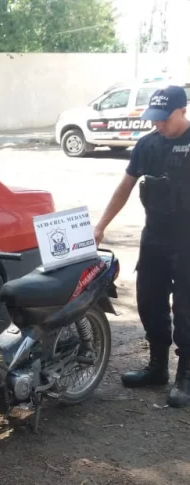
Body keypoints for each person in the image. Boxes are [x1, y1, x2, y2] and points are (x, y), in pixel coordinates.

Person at [94, 84, 190, 408]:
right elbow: (125, 186)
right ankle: (158, 368)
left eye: (165, 118)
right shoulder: (147, 144)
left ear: (183, 110)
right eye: (155, 118)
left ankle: (186, 377)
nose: (159, 124)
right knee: (149, 302)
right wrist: (101, 224)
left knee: (186, 311)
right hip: (155, 238)